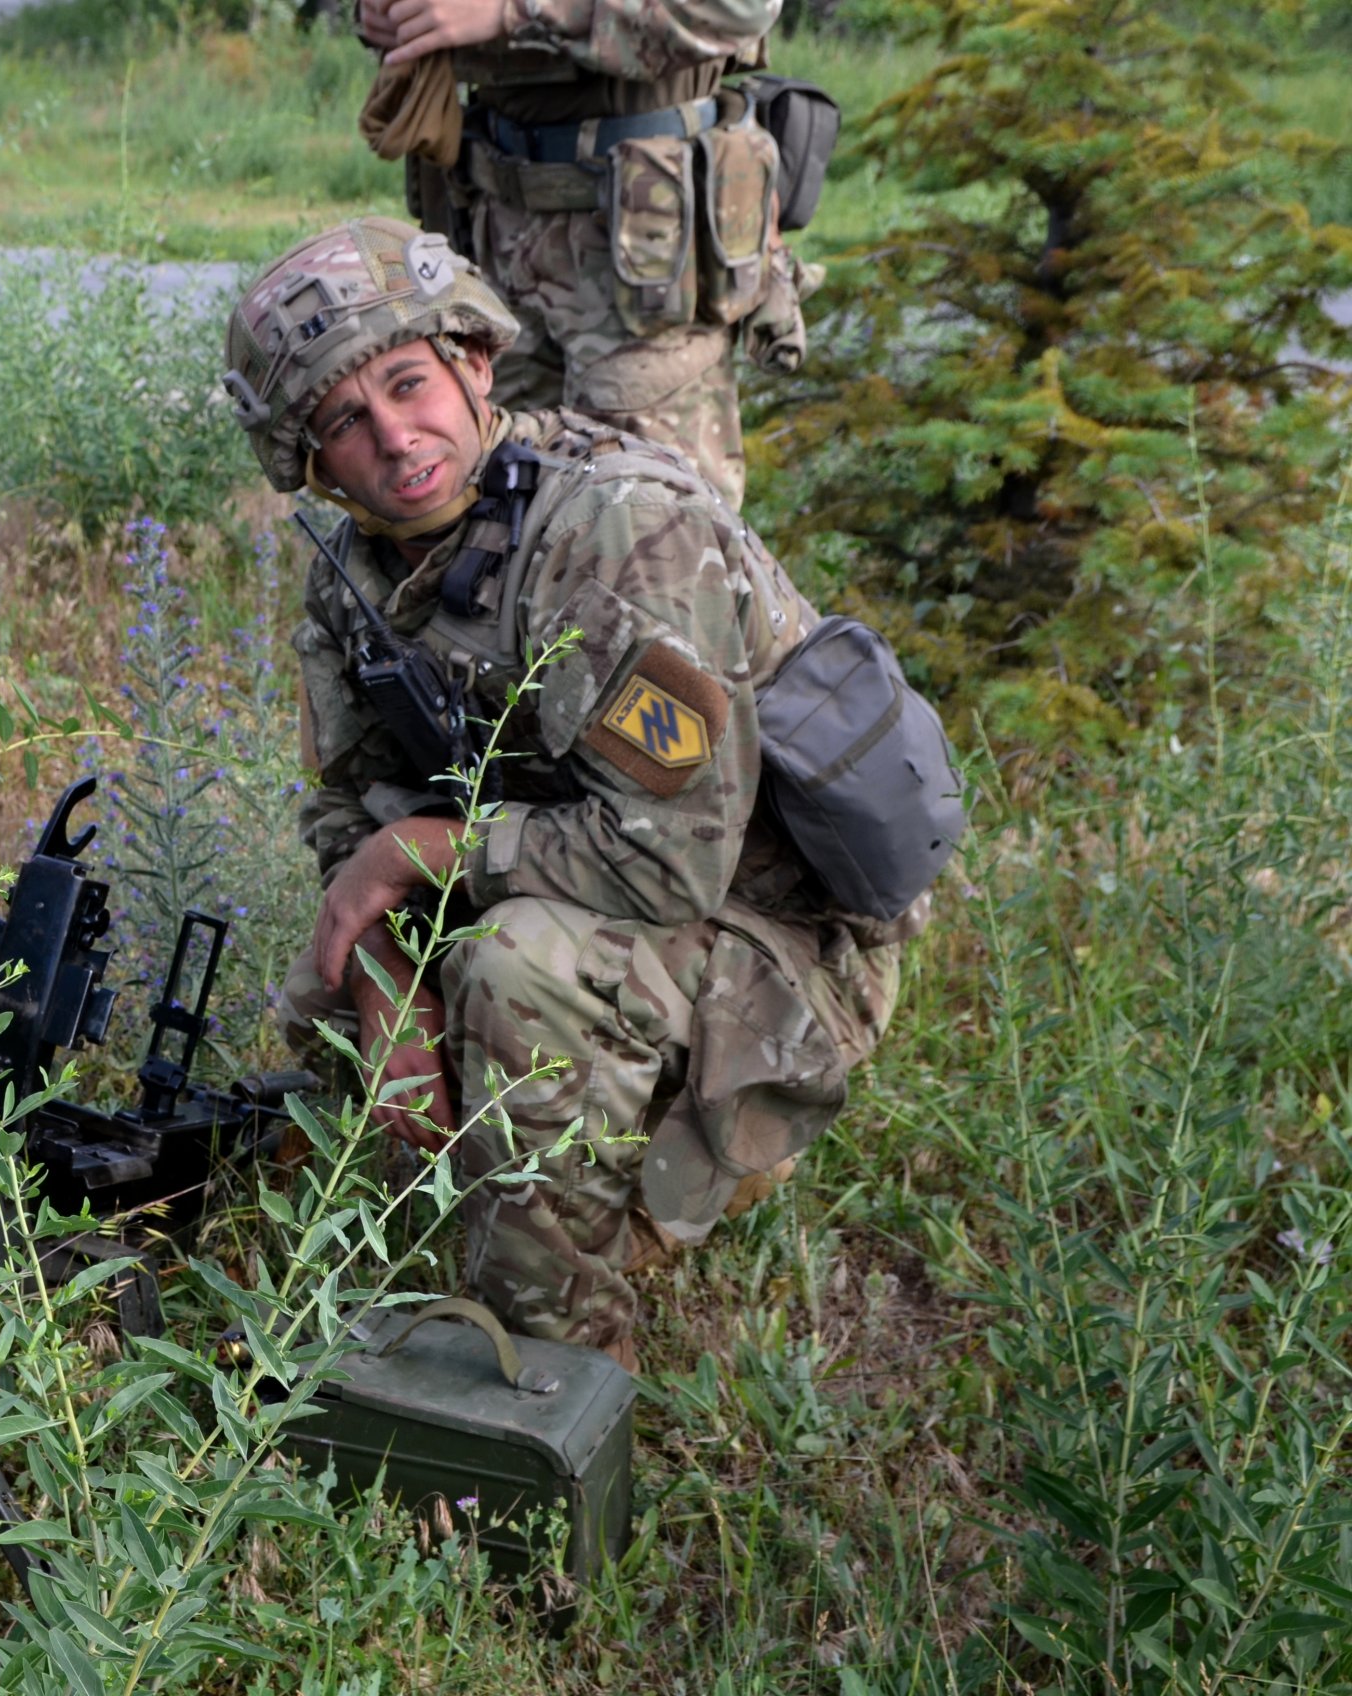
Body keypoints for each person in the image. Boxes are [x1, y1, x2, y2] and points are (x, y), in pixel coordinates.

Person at [225, 216, 916, 1369]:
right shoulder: (357, 569)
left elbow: (671, 859)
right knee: (331, 979)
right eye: (346, 422)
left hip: (773, 928)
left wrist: (422, 857)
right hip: (602, 870)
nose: (397, 439)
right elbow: (346, 812)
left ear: (474, 362)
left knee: (517, 969)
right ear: (306, 459)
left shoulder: (613, 534)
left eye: (410, 384)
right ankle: (427, 1258)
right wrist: (392, 974)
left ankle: (566, 1381)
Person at [352, 0, 808, 510]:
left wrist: (516, 12)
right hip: (493, 234)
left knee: (655, 523)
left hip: (642, 254)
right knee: (501, 509)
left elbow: (739, 10)